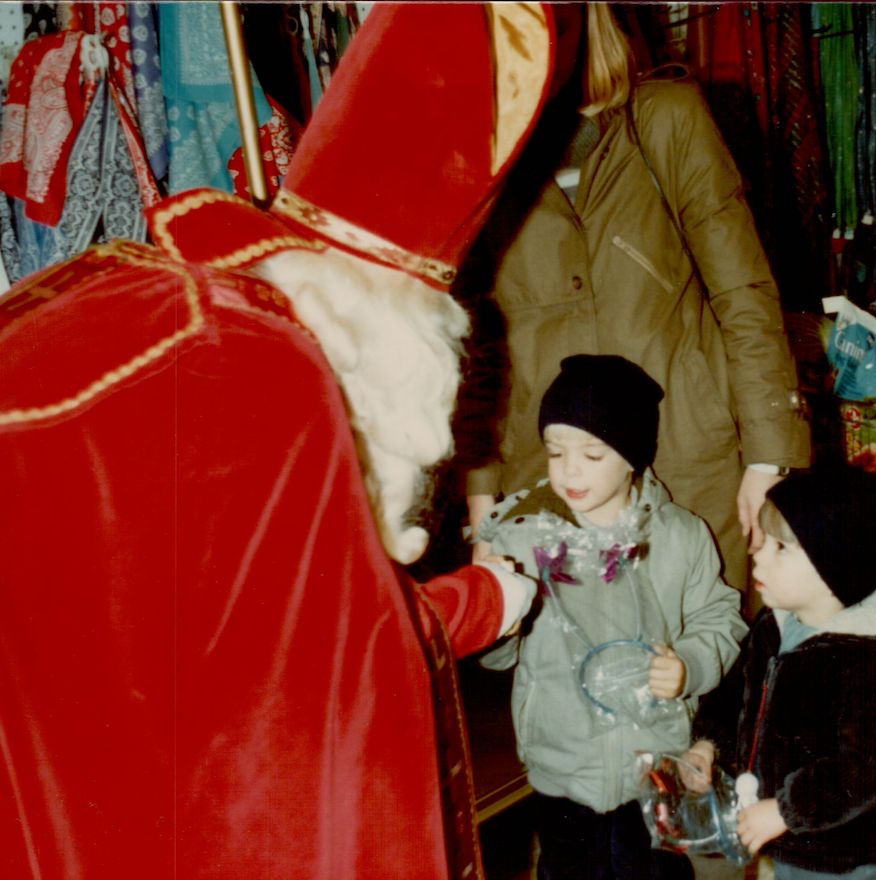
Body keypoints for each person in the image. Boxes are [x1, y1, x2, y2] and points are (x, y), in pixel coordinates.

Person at [0, 5, 555, 878]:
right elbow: (321, 684)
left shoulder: (168, 306)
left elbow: (270, 624)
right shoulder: (267, 379)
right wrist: (484, 600)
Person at [461, 4, 811, 594]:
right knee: (567, 666)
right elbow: (475, 338)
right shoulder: (474, 149)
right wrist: (480, 492)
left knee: (703, 651)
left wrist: (767, 456)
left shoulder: (667, 118)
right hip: (546, 471)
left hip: (685, 457)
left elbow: (743, 292)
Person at [478, 354, 747, 879]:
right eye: (555, 452)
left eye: (592, 453)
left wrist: (690, 663)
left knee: (656, 874)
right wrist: (493, 613)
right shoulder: (521, 537)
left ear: (632, 457)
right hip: (562, 762)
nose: (569, 469)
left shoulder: (680, 535)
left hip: (653, 763)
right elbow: (495, 656)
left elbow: (721, 616)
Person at [682, 466, 876, 880]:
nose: (756, 551)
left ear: (836, 571)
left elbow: (869, 767)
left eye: (779, 547)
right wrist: (709, 743)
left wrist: (786, 809)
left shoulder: (871, 663)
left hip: (842, 852)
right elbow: (733, 691)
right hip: (791, 834)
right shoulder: (775, 625)